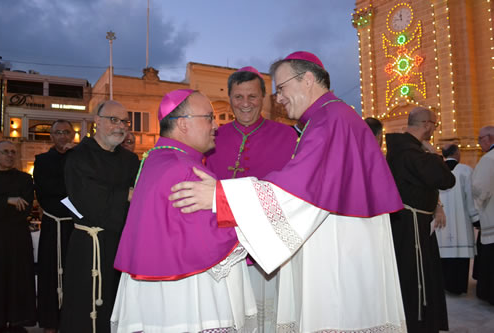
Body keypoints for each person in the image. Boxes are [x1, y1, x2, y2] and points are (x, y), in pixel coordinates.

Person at [170, 51, 406, 332]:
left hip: (339, 247)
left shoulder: (329, 121)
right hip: (340, 237)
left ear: (307, 79)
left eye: (280, 89)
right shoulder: (330, 117)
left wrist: (221, 196)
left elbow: (299, 190)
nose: (278, 98)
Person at [112, 89, 257, 333]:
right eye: (209, 117)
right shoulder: (185, 168)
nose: (215, 126)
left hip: (157, 292)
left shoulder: (156, 159)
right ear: (182, 124)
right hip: (190, 295)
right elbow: (217, 240)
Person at [205, 66, 297, 332]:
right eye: (238, 97)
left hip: (268, 246)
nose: (245, 104)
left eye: (252, 97)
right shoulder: (213, 136)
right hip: (221, 247)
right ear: (230, 97)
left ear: (264, 97)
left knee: (267, 316)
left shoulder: (288, 136)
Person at [60, 101, 139, 333]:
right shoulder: (78, 157)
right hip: (89, 246)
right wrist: (126, 195)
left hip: (121, 246)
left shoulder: (130, 160)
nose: (120, 126)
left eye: (124, 121)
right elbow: (87, 202)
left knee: (118, 305)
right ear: (97, 121)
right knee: (86, 309)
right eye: (113, 120)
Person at [386, 107, 455, 332]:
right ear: (426, 125)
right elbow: (446, 179)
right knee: (416, 277)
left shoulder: (404, 149)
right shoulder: (411, 153)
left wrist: (437, 205)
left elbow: (424, 184)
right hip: (411, 226)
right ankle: (418, 323)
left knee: (421, 273)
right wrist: (435, 153)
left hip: (413, 223)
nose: (434, 129)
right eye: (434, 125)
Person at [33, 120, 75, 333]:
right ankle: (50, 323)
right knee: (50, 273)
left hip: (75, 224)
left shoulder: (79, 158)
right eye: (58, 132)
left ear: (73, 135)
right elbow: (45, 190)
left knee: (75, 273)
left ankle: (72, 321)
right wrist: (67, 198)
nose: (62, 136)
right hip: (52, 222)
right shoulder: (42, 160)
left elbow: (83, 188)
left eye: (66, 132)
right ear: (51, 136)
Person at [0, 141, 36, 333]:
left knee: (18, 280)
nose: (10, 155)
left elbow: (25, 210)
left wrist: (0, 205)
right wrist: (8, 201)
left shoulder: (25, 179)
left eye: (13, 152)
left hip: (18, 238)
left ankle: (17, 320)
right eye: (5, 152)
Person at [436, 144, 479, 294]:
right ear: (457, 153)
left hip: (441, 220)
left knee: (443, 256)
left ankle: (444, 285)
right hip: (461, 221)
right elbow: (471, 197)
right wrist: (475, 217)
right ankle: (458, 286)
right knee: (459, 257)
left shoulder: (437, 169)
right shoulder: (466, 171)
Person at [472, 125, 494, 304]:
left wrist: (477, 206)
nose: (479, 143)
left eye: (480, 139)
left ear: (489, 137)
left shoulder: (488, 159)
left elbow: (481, 188)